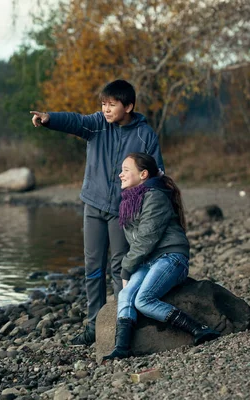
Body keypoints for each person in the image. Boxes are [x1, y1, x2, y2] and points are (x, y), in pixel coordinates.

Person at [30, 80, 164, 345]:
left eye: (112, 105)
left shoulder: (145, 135)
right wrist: (49, 119)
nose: (106, 109)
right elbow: (74, 121)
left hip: (123, 210)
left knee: (120, 267)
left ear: (128, 106)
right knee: (92, 267)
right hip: (93, 205)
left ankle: (121, 323)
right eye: (103, 104)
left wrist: (155, 207)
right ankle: (93, 327)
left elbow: (156, 173)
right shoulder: (97, 124)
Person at [102, 152, 220, 362]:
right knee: (125, 295)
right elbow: (139, 244)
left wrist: (126, 267)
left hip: (171, 257)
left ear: (143, 174)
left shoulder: (154, 196)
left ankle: (199, 329)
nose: (120, 175)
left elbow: (146, 237)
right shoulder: (129, 201)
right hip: (149, 261)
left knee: (143, 300)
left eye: (126, 170)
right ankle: (122, 348)